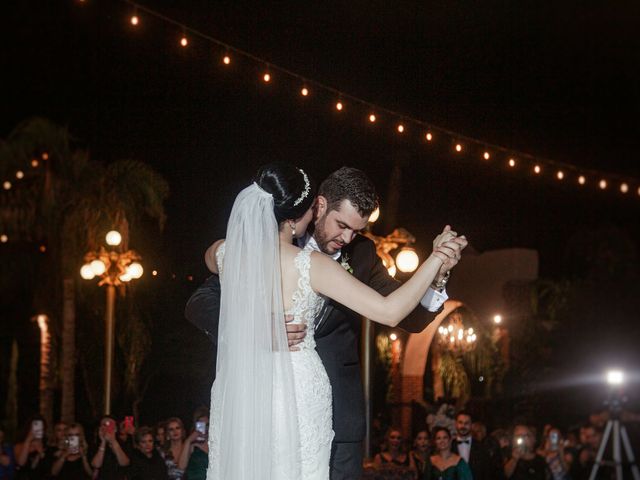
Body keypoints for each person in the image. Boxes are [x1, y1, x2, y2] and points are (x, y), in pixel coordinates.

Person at [187, 165, 466, 479]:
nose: (346, 238)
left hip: (334, 414)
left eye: (356, 231)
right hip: (260, 402)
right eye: (342, 224)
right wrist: (254, 329)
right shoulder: (302, 261)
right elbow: (199, 303)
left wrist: (438, 279)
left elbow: (409, 317)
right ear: (317, 206)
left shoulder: (360, 254)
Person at [452, 411, 502, 479]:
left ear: (471, 425)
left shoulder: (482, 447)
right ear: (455, 424)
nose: (463, 426)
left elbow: (487, 473)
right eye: (460, 422)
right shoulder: (449, 446)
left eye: (466, 423)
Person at [90, 416, 130, 480]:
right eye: (104, 425)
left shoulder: (122, 444)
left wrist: (113, 441)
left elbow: (124, 463)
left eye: (110, 425)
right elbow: (96, 464)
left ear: (116, 429)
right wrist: (103, 442)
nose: (107, 428)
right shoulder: (95, 445)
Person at [177, 409, 209, 480]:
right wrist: (188, 441)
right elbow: (181, 466)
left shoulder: (214, 444)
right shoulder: (192, 444)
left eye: (207, 425)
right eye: (201, 425)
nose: (205, 428)